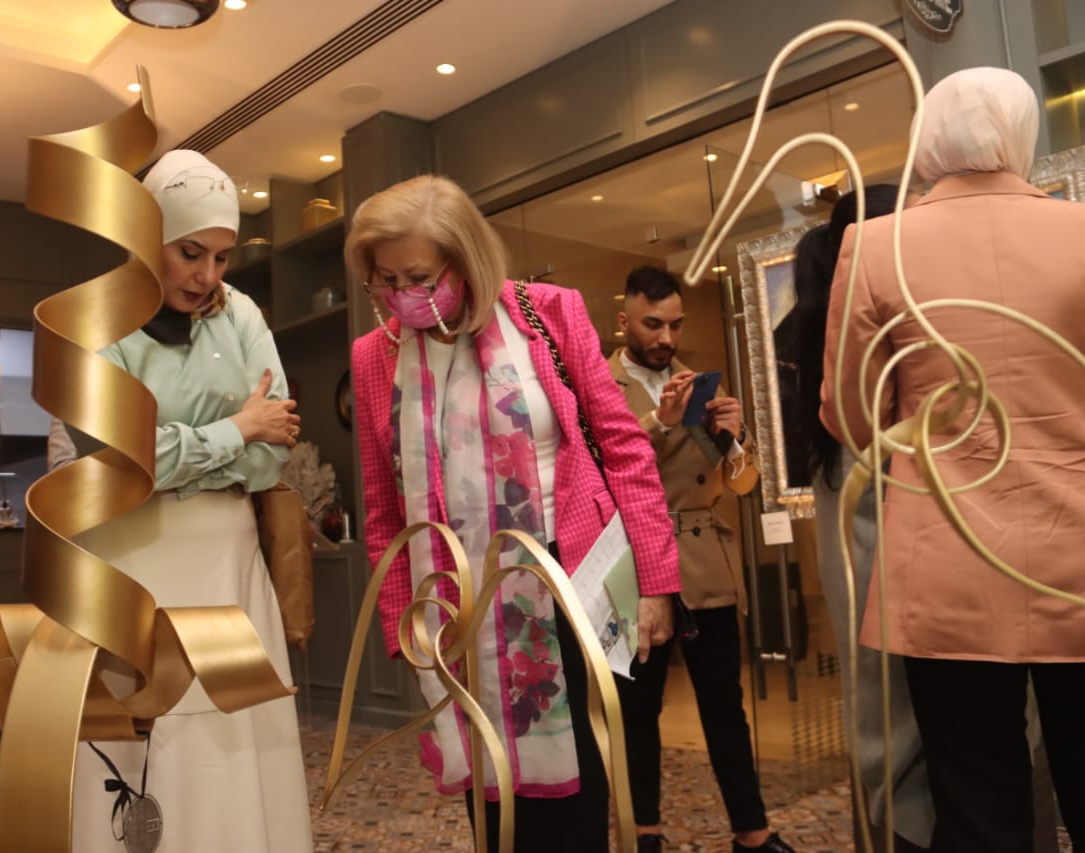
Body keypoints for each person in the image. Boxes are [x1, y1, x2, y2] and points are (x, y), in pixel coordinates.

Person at [347, 173, 681, 853]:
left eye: (419, 277)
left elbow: (624, 449)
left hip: (567, 586)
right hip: (454, 604)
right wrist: (402, 626)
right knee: (491, 799)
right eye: (386, 279)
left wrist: (654, 582)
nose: (402, 294)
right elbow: (384, 507)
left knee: (582, 795)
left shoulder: (549, 313)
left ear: (464, 259)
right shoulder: (375, 355)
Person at [820, 67, 1085, 853]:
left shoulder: (877, 245)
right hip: (1078, 556)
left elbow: (852, 418)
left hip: (947, 563)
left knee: (976, 808)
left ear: (925, 141)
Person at [66, 149, 311, 852]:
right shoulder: (94, 320)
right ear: (148, 238)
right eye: (190, 252)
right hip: (133, 565)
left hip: (230, 565)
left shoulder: (242, 314)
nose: (207, 276)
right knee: (144, 740)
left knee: (233, 733)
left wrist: (175, 454)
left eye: (223, 257)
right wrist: (235, 430)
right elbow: (114, 458)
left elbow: (273, 451)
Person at [610, 266, 792, 853]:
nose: (666, 337)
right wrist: (661, 423)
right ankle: (644, 832)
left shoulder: (700, 385)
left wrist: (734, 438)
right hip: (639, 564)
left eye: (676, 324)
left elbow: (743, 483)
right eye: (652, 324)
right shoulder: (602, 384)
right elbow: (606, 469)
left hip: (706, 560)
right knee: (639, 709)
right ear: (625, 321)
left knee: (724, 707)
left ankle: (752, 832)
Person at [790, 186, 935, 853]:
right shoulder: (859, 363)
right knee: (895, 718)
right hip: (878, 557)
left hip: (872, 557)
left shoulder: (839, 340)